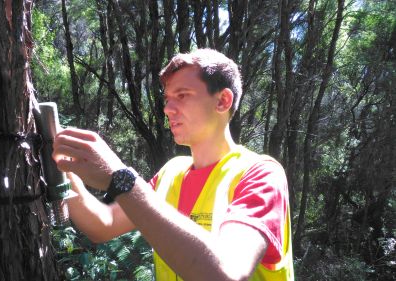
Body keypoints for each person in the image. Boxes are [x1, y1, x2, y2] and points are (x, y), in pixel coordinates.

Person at [52, 49, 294, 281]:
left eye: (182, 95)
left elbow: (226, 273)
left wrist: (120, 178)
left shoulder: (260, 174)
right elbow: (102, 224)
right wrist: (63, 165)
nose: (167, 108)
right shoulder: (172, 172)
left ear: (222, 101)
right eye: (167, 99)